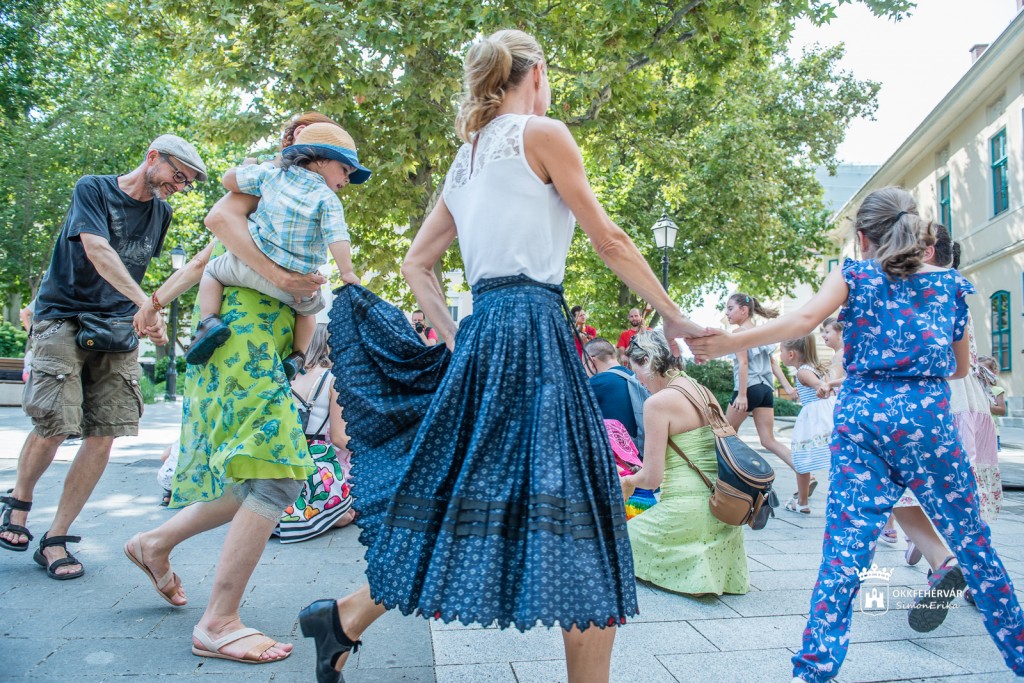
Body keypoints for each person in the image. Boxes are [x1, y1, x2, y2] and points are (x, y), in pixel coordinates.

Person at [298, 29, 709, 683]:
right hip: (535, 332)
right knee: (582, 512)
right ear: (537, 72)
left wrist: (459, 340)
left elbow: (416, 264)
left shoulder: (465, 160)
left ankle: (343, 618)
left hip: (487, 335)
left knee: (463, 492)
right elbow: (608, 238)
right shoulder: (543, 134)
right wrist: (673, 314)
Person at [688, 186, 1024, 682]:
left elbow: (803, 319)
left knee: (844, 551)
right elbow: (957, 368)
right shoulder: (950, 285)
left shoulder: (853, 275)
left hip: (863, 419)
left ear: (863, 238)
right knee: (973, 542)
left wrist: (726, 342)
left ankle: (814, 669)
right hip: (927, 421)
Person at [122, 114, 341, 665]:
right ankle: (218, 622)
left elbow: (205, 260)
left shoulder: (295, 200)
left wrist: (153, 303)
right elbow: (219, 222)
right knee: (281, 473)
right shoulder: (276, 179)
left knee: (254, 476)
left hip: (261, 341)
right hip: (241, 336)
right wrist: (285, 279)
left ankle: (155, 544)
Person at [0, 134, 205, 580]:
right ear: (152, 157)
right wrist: (147, 305)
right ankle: (19, 502)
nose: (179, 187)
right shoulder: (93, 188)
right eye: (177, 176)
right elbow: (98, 252)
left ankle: (56, 538)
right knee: (56, 423)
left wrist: (143, 314)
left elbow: (134, 269)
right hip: (64, 316)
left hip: (116, 327)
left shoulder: (161, 213)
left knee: (106, 432)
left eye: (186, 182)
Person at [185, 122, 368, 377]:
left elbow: (229, 180)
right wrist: (346, 272)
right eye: (345, 170)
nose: (347, 179)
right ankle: (298, 356)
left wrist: (251, 168)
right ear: (321, 160)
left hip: (248, 267)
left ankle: (209, 323)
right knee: (310, 312)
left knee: (212, 273)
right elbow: (337, 236)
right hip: (297, 286)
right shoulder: (328, 199)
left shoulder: (272, 176)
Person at [619, 331, 749, 596]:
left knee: (611, 545)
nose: (638, 380)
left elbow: (651, 479)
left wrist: (628, 481)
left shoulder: (657, 403)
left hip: (686, 513)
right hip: (724, 510)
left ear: (647, 361)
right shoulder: (703, 390)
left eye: (636, 371)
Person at [723, 293, 813, 509]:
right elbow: (773, 365)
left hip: (748, 388)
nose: (727, 313)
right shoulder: (761, 334)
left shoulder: (739, 333)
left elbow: (743, 364)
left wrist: (742, 394)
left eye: (730, 308)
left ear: (744, 310)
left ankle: (737, 482)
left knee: (723, 435)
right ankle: (805, 474)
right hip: (765, 389)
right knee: (768, 440)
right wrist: (787, 387)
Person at [275, 323, 356, 542]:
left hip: (280, 461)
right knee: (349, 514)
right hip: (316, 464)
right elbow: (339, 438)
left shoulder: (284, 376)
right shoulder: (333, 379)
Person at [584, 337, 654, 518]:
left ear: (591, 360)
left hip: (619, 477)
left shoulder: (596, 384)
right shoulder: (637, 379)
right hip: (645, 470)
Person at [779, 335, 834, 514]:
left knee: (800, 458)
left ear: (791, 354)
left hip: (814, 419)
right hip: (824, 415)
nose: (780, 354)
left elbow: (819, 385)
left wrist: (820, 387)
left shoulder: (803, 371)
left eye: (781, 351)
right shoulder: (815, 367)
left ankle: (802, 502)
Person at [978, 355, 1007, 451]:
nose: (980, 373)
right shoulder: (975, 390)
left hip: (992, 433)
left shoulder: (997, 390)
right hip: (977, 432)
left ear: (993, 372)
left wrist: (987, 406)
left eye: (984, 370)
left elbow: (1002, 411)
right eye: (978, 370)